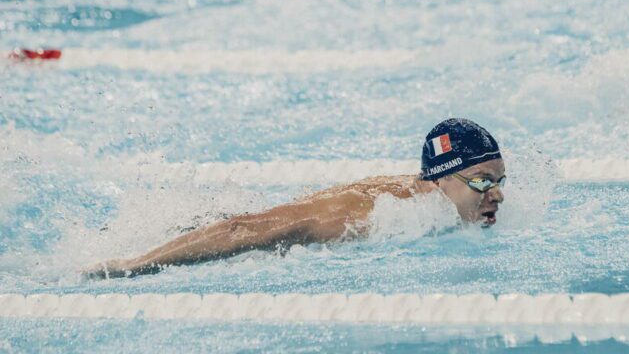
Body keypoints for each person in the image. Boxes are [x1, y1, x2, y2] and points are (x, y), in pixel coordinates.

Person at [84, 118, 506, 279]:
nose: (497, 195)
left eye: (500, 180)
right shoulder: (369, 216)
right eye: (483, 182)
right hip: (234, 228)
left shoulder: (430, 197)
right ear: (439, 180)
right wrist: (133, 266)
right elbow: (243, 229)